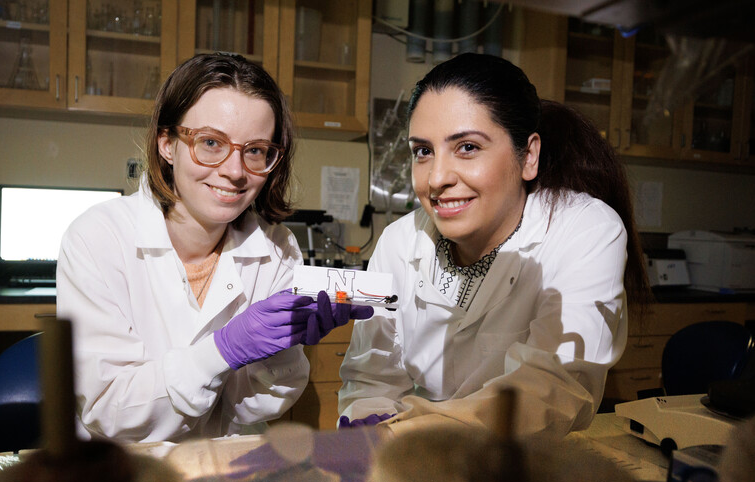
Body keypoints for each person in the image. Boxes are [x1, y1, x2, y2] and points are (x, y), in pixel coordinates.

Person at [58, 53, 372, 443]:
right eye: (210, 142)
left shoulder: (277, 249)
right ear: (167, 145)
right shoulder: (97, 238)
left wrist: (280, 352)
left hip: (223, 473)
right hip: (122, 480)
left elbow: (253, 409)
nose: (236, 171)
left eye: (255, 150)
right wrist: (223, 349)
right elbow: (110, 411)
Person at [338, 53, 650, 437]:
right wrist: (367, 423)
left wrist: (410, 431)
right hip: (414, 463)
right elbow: (371, 376)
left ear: (528, 156)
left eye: (467, 147)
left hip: (530, 472)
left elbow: (552, 387)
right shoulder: (399, 242)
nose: (436, 178)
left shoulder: (585, 229)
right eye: (423, 151)